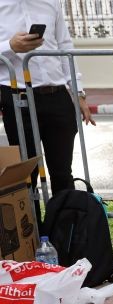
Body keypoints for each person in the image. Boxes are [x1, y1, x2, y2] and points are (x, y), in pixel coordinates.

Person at [0, 0, 96, 225]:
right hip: (17, 97)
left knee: (62, 172)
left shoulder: (51, 2)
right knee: (26, 176)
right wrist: (9, 46)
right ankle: (33, 238)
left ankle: (65, 236)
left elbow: (65, 46)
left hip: (57, 95)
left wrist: (78, 93)